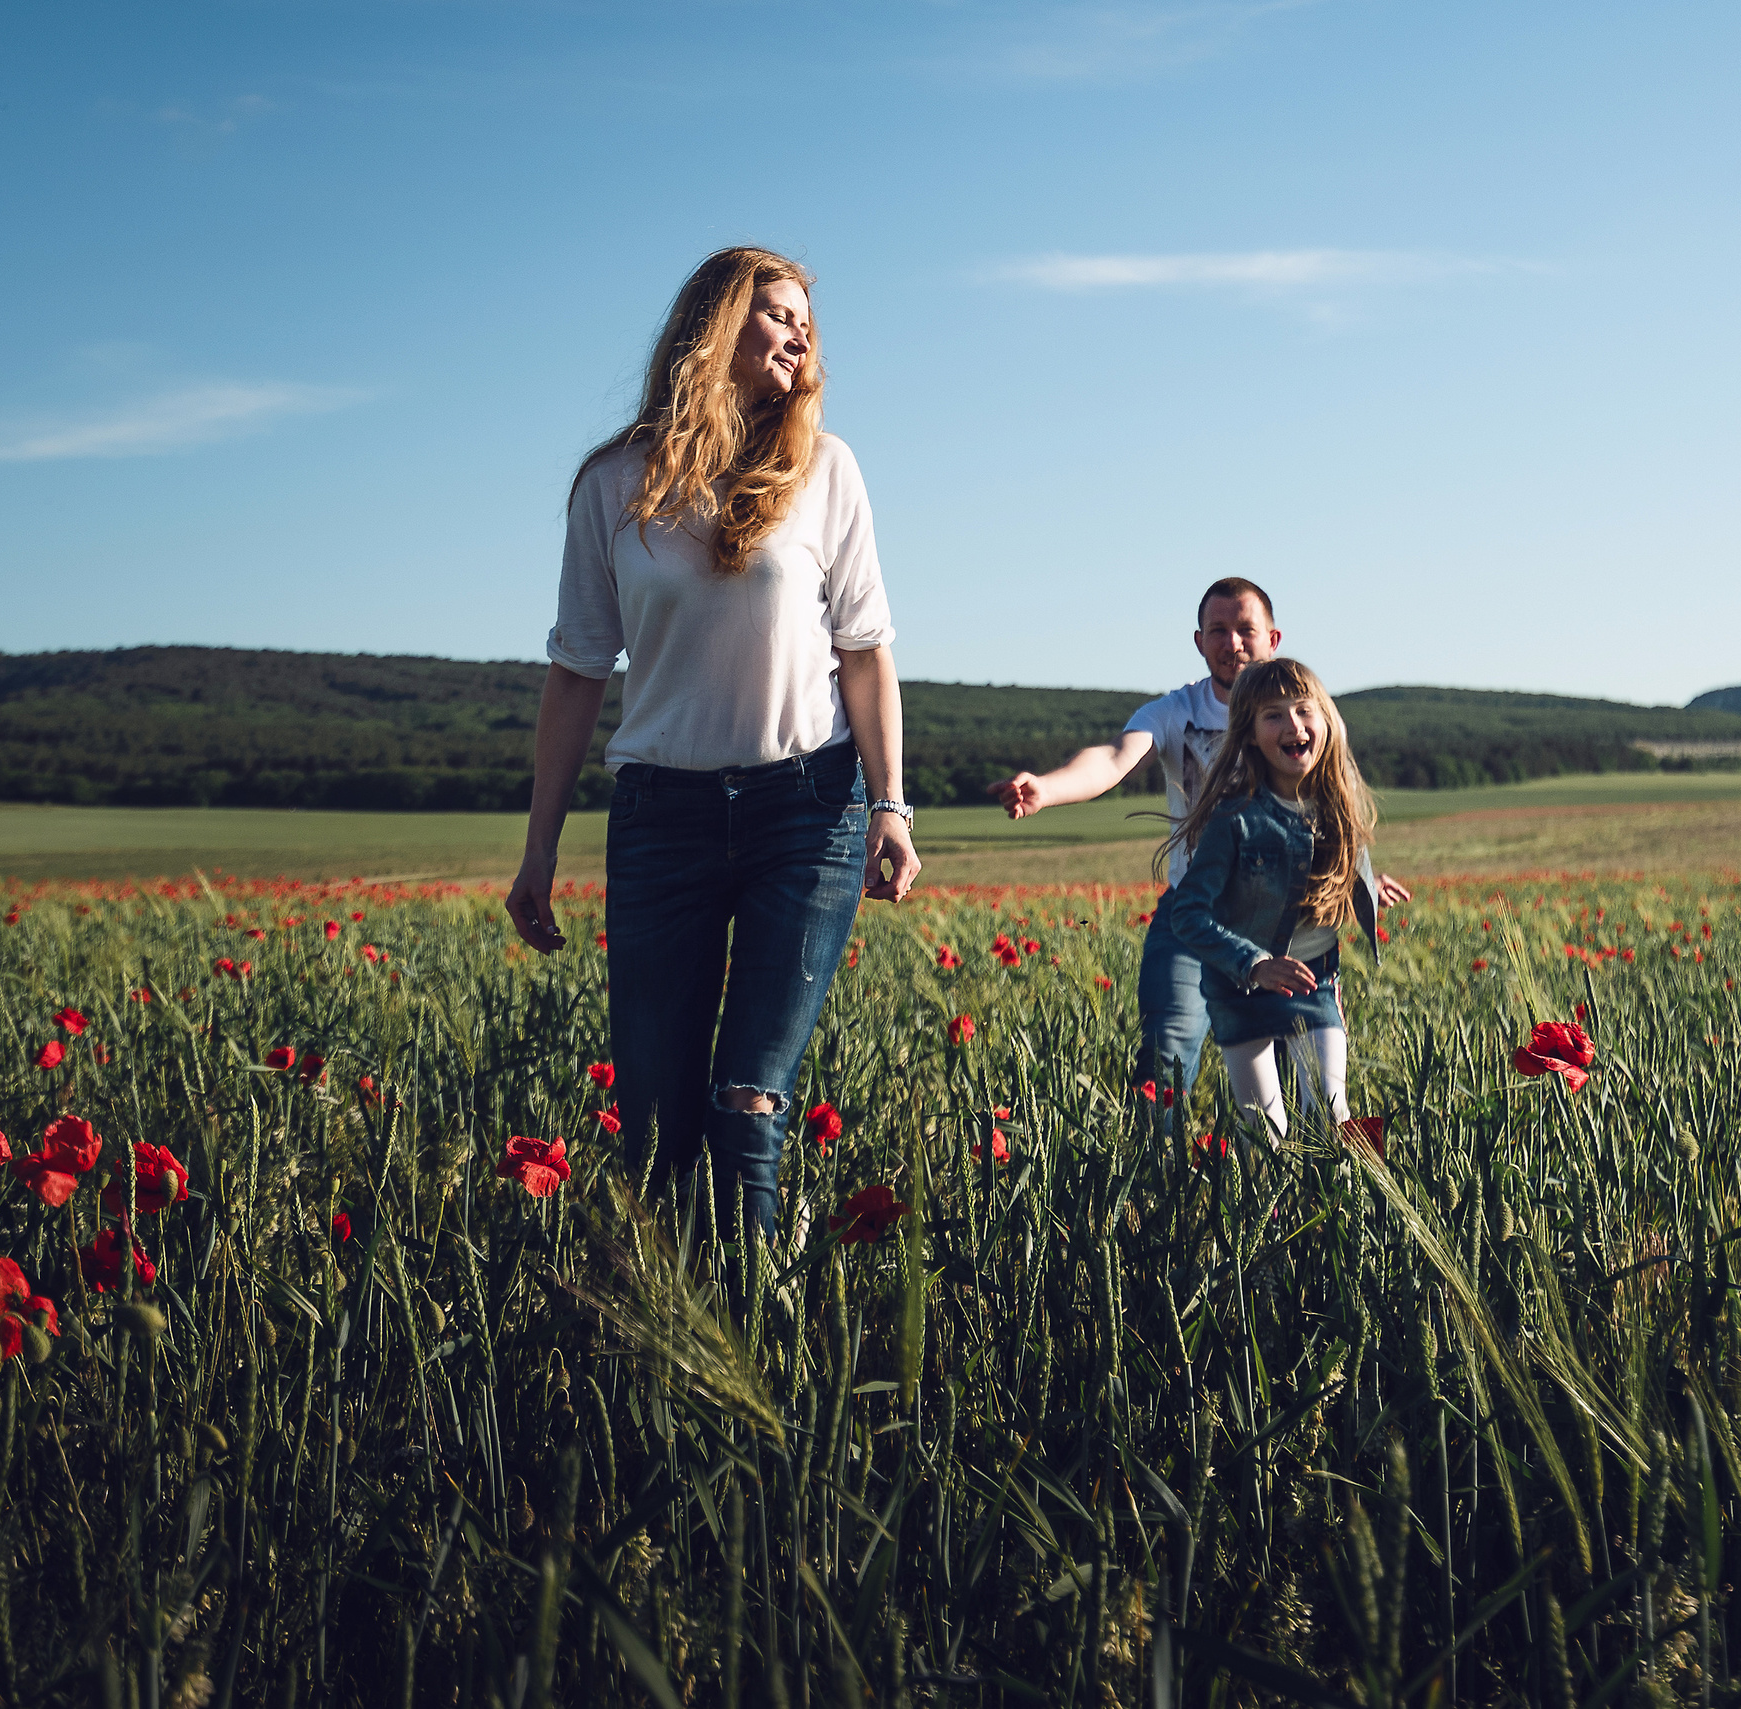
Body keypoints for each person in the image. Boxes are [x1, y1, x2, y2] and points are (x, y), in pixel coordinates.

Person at [505, 246, 923, 1237]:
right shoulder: (613, 483)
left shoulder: (825, 467)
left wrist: (891, 804)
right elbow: (577, 672)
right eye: (777, 313)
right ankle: (672, 1314)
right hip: (662, 821)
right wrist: (539, 849)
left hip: (807, 813)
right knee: (657, 1129)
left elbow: (865, 652)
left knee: (749, 1104)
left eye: (806, 322)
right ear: (716, 325)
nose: (800, 335)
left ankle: (754, 1320)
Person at [987, 579, 1405, 1115]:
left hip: (1287, 923)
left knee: (1304, 1089)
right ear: (1199, 641)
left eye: (1246, 629)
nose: (1232, 643)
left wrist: (1356, 879)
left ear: (1273, 638)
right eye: (1218, 631)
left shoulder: (1307, 717)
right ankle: (1162, 1160)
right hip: (1197, 913)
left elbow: (1332, 812)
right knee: (1169, 1049)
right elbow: (1114, 757)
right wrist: (1047, 788)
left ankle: (1288, 1168)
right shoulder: (1175, 711)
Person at [1156, 657, 1378, 1143]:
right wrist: (1254, 963)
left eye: (1304, 710)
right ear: (1251, 734)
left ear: (1326, 721)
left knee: (1331, 1117)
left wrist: (1372, 885)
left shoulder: (1338, 804)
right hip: (1241, 988)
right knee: (1266, 1133)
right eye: (1273, 715)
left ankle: (1327, 1197)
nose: (1293, 724)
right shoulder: (1234, 819)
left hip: (1314, 981)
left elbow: (1330, 872)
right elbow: (1188, 914)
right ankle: (1265, 1195)